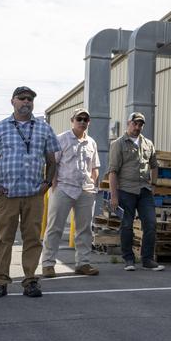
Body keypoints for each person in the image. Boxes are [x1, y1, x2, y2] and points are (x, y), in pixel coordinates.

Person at [0, 86, 59, 298]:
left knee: (33, 238)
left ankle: (30, 280)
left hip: (34, 193)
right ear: (12, 101)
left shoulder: (44, 128)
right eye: (22, 98)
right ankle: (0, 280)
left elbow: (52, 160)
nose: (26, 102)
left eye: (30, 99)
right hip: (7, 193)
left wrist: (47, 183)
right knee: (4, 237)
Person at [42, 108, 101, 277]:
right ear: (72, 120)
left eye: (86, 119)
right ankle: (48, 264)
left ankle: (83, 263)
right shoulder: (61, 139)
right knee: (54, 228)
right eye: (79, 118)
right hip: (64, 188)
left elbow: (95, 167)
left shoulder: (92, 142)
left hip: (85, 191)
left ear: (88, 122)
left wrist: (93, 184)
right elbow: (52, 163)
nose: (82, 122)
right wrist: (54, 185)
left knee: (84, 230)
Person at [106, 112, 163, 271]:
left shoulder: (148, 143)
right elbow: (113, 172)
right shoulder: (118, 144)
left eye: (140, 124)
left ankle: (147, 259)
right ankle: (128, 259)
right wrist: (114, 196)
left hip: (144, 190)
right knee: (127, 225)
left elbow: (154, 165)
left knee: (151, 223)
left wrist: (154, 185)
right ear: (128, 123)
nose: (137, 127)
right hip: (126, 190)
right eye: (135, 123)